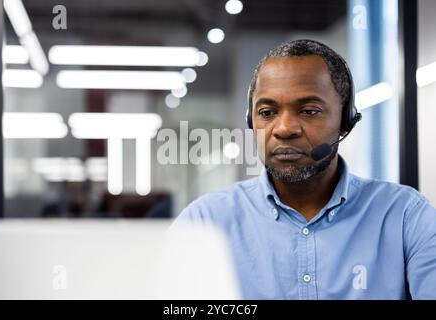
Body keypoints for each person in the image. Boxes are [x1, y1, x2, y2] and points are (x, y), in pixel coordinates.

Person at [171, 39, 436, 299]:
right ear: (251, 121)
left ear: (345, 122)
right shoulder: (205, 221)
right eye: (266, 112)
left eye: (309, 111)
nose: (284, 129)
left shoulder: (405, 217)